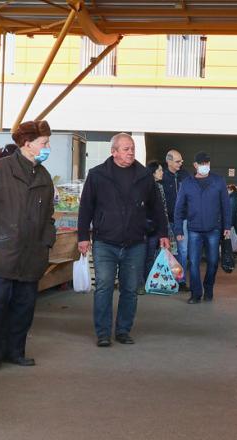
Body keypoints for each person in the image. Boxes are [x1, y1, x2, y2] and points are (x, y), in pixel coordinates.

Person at [0, 120, 56, 371]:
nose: (48, 147)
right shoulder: (0, 169)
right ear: (28, 144)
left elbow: (49, 215)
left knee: (24, 306)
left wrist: (47, 240)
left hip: (33, 252)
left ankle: (16, 351)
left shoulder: (43, 175)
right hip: (4, 250)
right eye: (44, 143)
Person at [77, 133, 169, 347]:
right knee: (104, 287)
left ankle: (123, 330)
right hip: (104, 242)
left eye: (132, 148)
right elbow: (86, 207)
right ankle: (102, 333)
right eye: (126, 149)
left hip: (135, 243)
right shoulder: (97, 174)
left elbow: (157, 207)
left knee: (130, 289)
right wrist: (83, 236)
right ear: (114, 152)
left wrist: (163, 233)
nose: (131, 152)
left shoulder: (144, 176)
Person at [174, 152, 231, 304]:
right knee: (193, 263)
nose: (205, 166)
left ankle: (209, 288)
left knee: (213, 261)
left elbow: (226, 205)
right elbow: (179, 208)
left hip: (214, 229)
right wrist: (178, 229)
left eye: (207, 163)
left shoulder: (218, 181)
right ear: (195, 165)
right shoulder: (187, 183)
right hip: (194, 229)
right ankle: (196, 293)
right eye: (202, 163)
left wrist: (227, 225)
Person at [139, 160, 173, 293]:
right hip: (142, 228)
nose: (162, 172)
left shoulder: (159, 187)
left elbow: (161, 210)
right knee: (142, 256)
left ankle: (148, 282)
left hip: (153, 228)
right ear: (152, 173)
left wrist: (163, 230)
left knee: (149, 256)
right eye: (159, 170)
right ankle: (140, 283)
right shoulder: (144, 187)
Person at [160, 149, 189, 291]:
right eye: (177, 161)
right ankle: (166, 279)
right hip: (166, 220)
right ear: (169, 161)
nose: (180, 163)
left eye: (181, 161)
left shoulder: (186, 176)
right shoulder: (162, 177)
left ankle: (181, 280)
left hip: (182, 220)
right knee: (166, 251)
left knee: (183, 250)